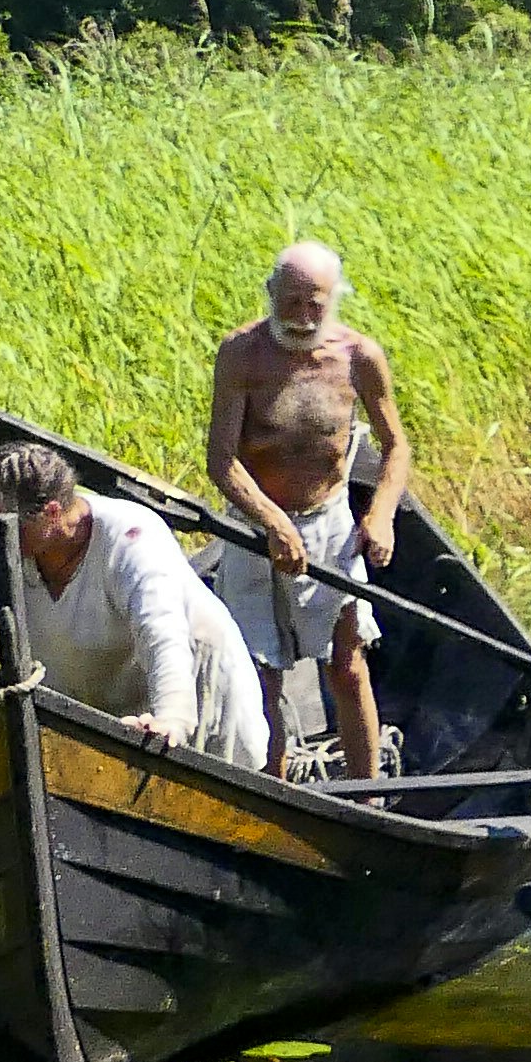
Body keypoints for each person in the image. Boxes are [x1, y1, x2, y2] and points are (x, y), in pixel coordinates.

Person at [0, 441, 261, 765]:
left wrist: (171, 718)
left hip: (197, 693)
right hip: (103, 718)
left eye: (1, 528)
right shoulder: (2, 543)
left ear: (51, 514)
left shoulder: (131, 539)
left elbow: (162, 636)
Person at [204, 240, 412, 782]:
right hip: (253, 530)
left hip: (329, 524)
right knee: (262, 676)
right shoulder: (241, 354)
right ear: (270, 294)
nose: (300, 317)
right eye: (289, 301)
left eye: (313, 303)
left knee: (347, 667)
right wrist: (271, 523)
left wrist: (382, 513)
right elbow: (222, 460)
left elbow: (396, 446)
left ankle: (368, 800)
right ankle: (275, 797)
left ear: (333, 300)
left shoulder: (359, 356)